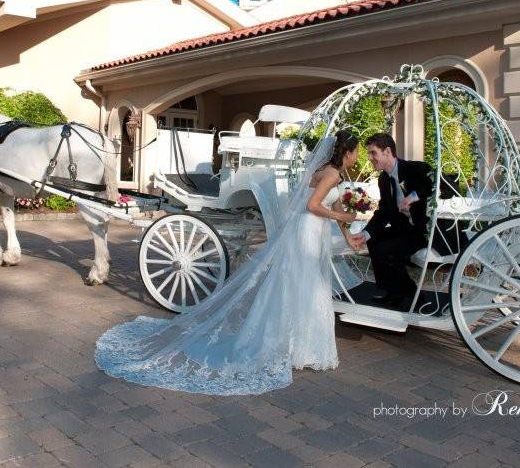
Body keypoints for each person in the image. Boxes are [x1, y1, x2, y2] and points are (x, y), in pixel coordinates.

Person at [95, 131, 361, 395]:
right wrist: (342, 216)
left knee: (303, 283)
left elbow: (334, 206)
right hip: (308, 230)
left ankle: (297, 345)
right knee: (307, 284)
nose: (358, 156)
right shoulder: (333, 175)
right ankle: (300, 347)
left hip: (310, 230)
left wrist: (348, 235)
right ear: (347, 152)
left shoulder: (327, 171)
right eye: (357, 151)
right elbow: (315, 205)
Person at [353, 133, 433, 312]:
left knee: (384, 250)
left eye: (373, 153)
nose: (370, 158)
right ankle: (393, 291)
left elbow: (439, 184)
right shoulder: (384, 179)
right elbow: (383, 213)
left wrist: (413, 196)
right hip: (402, 230)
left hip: (422, 231)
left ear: (387, 151)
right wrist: (365, 234)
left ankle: (415, 296)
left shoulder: (414, 169)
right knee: (373, 240)